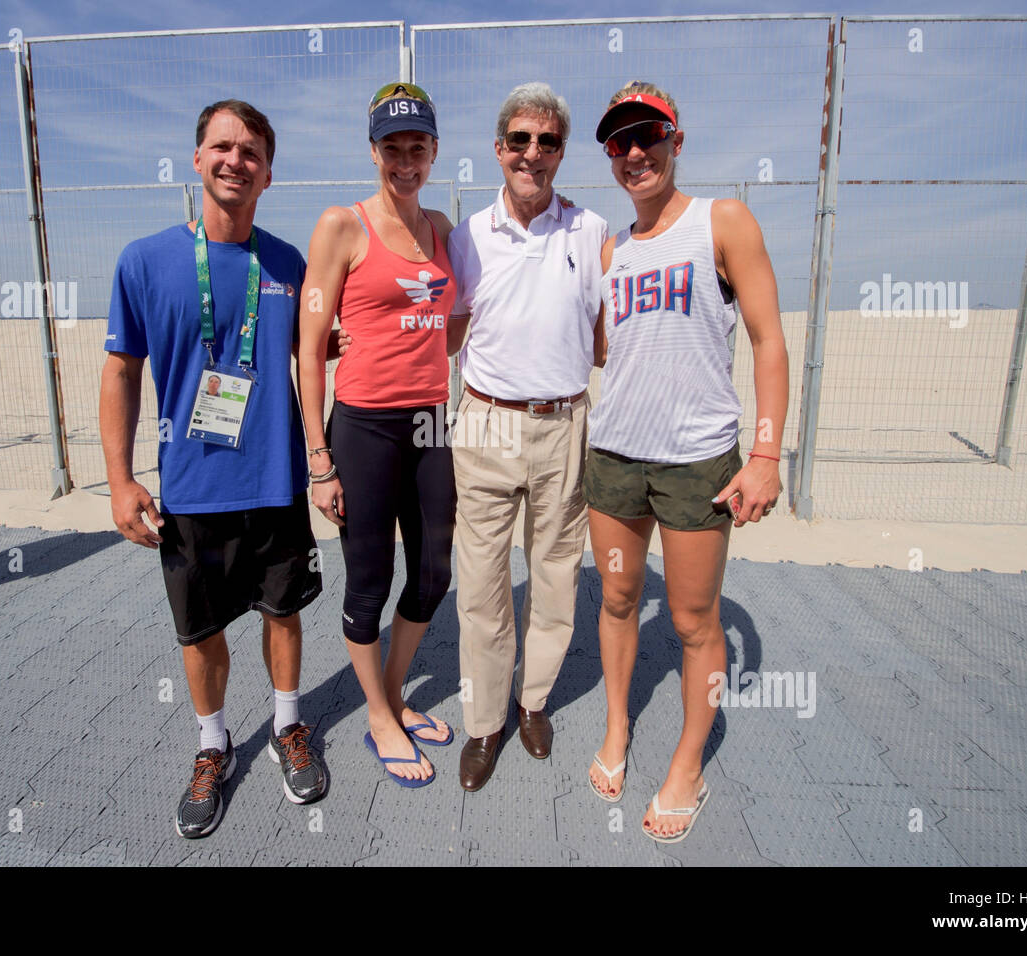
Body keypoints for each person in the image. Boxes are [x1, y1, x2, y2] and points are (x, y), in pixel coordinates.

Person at [101, 100, 337, 838]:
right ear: (197, 159)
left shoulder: (290, 264)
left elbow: (317, 359)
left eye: (252, 152)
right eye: (222, 147)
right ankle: (213, 745)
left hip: (274, 483)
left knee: (283, 612)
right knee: (199, 631)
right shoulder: (144, 260)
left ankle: (288, 727)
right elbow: (120, 373)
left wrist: (323, 457)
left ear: (269, 172)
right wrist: (118, 479)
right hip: (191, 491)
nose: (236, 160)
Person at [584, 82, 788, 844]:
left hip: (697, 462)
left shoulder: (721, 221)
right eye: (618, 142)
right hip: (614, 458)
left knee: (693, 618)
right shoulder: (615, 248)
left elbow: (769, 339)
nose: (634, 152)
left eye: (648, 135)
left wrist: (765, 453)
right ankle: (616, 729)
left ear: (675, 138)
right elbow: (611, 349)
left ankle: (689, 763)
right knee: (615, 599)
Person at [445, 82, 608, 791]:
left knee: (555, 575)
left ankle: (533, 701)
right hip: (484, 423)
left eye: (546, 142)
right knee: (481, 585)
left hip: (565, 424)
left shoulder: (593, 231)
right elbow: (443, 330)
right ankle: (485, 722)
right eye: (520, 140)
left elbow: (604, 341)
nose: (532, 154)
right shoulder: (466, 236)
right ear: (499, 148)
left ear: (562, 152)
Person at [298, 82, 457, 788]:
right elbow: (307, 350)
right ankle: (378, 715)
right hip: (362, 426)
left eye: (416, 147)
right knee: (369, 581)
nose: (405, 160)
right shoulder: (343, 225)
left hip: (430, 420)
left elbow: (456, 322)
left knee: (432, 573)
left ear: (433, 152)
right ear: (373, 152)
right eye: (392, 147)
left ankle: (391, 693)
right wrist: (319, 460)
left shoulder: (445, 229)